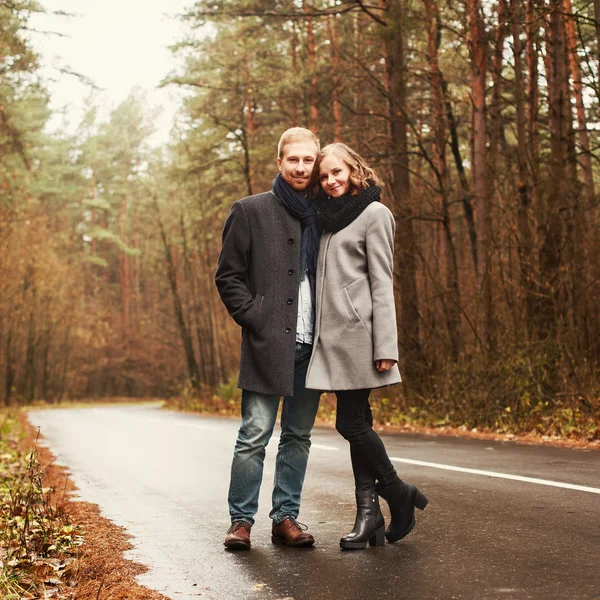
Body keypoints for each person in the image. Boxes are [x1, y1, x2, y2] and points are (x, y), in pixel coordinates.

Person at [305, 142, 428, 550]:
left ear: (354, 169)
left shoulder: (375, 214)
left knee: (349, 424)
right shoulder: (325, 220)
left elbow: (381, 283)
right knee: (359, 424)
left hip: (361, 337)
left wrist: (385, 345)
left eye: (336, 172)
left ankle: (396, 493)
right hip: (332, 339)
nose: (331, 181)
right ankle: (369, 514)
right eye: (324, 177)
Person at [215, 127, 322, 550]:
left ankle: (286, 518)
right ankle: (240, 521)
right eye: (292, 159)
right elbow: (228, 276)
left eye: (308, 160)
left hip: (313, 347)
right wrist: (254, 317)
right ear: (279, 162)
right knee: (254, 435)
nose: (300, 167)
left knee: (297, 436)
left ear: (315, 164)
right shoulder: (250, 211)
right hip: (267, 343)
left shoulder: (323, 213)